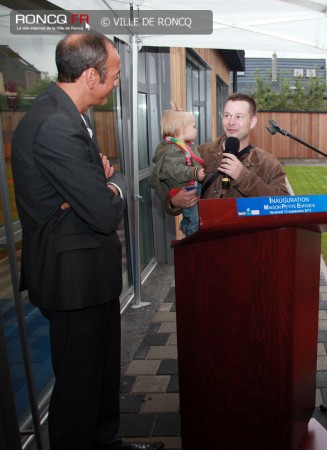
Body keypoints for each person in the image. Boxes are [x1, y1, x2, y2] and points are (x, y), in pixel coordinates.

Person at [11, 33, 163, 450]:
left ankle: (108, 442)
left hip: (88, 276)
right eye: (114, 75)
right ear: (91, 75)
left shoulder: (68, 115)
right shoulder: (54, 124)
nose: (117, 82)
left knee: (100, 377)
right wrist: (113, 183)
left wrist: (93, 189)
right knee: (79, 390)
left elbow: (86, 201)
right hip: (71, 281)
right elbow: (101, 210)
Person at [167, 93, 288, 213]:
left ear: (252, 121)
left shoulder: (269, 164)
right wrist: (173, 202)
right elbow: (171, 194)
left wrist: (243, 177)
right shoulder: (200, 153)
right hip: (206, 231)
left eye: (239, 117)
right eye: (227, 115)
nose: (231, 122)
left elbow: (283, 205)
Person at [150, 105, 205, 235]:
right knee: (195, 220)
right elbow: (173, 170)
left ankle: (186, 226)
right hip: (187, 191)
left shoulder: (187, 146)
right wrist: (194, 172)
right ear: (183, 131)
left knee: (191, 216)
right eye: (193, 126)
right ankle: (192, 236)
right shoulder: (173, 150)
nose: (196, 130)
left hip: (193, 190)